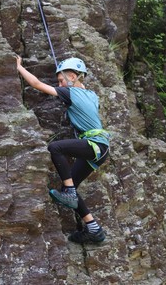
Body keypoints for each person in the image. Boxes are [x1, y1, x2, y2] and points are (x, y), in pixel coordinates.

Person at [16, 56, 110, 244]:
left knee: (55, 147)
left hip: (94, 144)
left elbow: (36, 84)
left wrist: (18, 67)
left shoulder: (70, 93)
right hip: (101, 148)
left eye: (61, 80)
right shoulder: (92, 95)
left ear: (73, 76)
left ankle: (68, 191)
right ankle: (94, 229)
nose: (60, 84)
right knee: (73, 185)